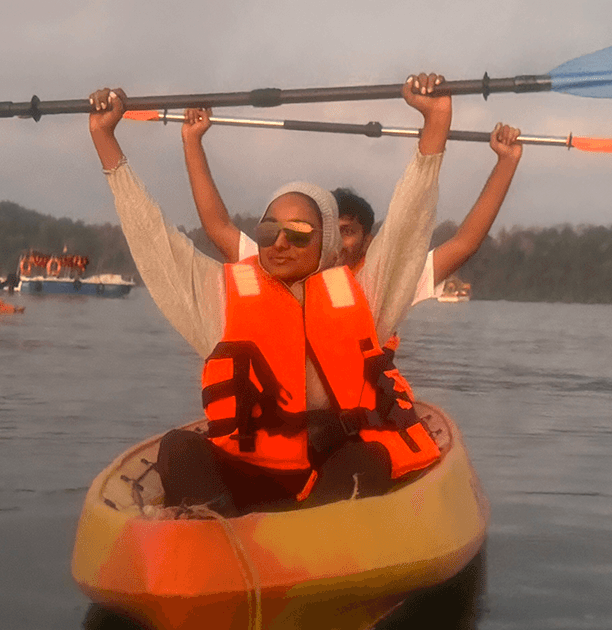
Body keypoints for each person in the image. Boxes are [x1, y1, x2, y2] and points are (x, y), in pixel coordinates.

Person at [87, 73, 450, 516]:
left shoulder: (365, 296)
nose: (279, 242)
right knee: (179, 449)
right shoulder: (222, 297)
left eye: (298, 233)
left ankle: (316, 543)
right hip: (250, 472)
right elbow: (153, 240)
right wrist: (105, 138)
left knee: (366, 458)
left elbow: (408, 225)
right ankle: (216, 536)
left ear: (328, 245)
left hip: (329, 469)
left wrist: (435, 122)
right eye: (269, 229)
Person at [181, 107, 524, 304]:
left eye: (349, 232)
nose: (339, 242)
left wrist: (506, 162)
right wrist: (192, 139)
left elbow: (465, 242)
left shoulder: (385, 282)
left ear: (367, 240)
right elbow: (218, 227)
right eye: (333, 231)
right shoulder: (280, 260)